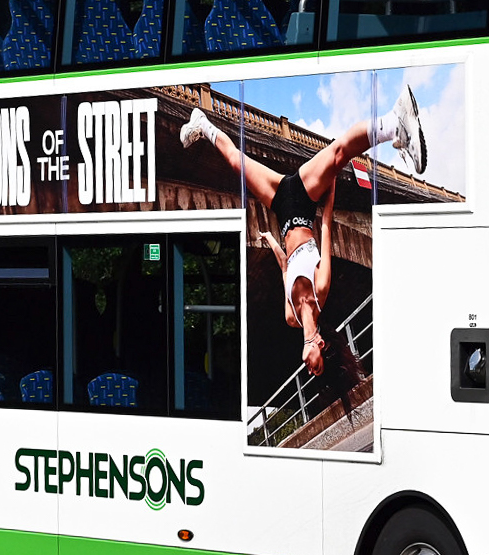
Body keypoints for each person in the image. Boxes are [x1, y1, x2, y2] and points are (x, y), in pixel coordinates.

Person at [180, 84, 425, 377]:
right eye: (317, 367)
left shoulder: (290, 317)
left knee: (236, 163)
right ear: (321, 345)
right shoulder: (321, 290)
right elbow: (326, 228)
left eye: (312, 371)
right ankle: (393, 123)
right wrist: (330, 184)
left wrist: (272, 241)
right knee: (338, 153)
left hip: (281, 210)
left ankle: (202, 124)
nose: (310, 370)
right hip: (305, 201)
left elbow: (285, 270)